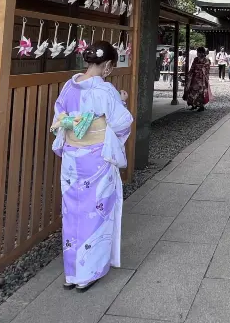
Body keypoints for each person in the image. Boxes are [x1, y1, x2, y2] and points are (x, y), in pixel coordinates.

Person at [50, 41, 133, 292]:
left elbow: (60, 118)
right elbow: (121, 124)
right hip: (97, 160)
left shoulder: (69, 85)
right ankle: (87, 273)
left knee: (72, 210)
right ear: (107, 65)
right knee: (96, 212)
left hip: (73, 159)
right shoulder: (105, 90)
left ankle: (71, 272)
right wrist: (122, 102)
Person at [183, 47, 211, 111]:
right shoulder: (196, 59)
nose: (198, 54)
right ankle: (193, 104)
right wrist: (189, 74)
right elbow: (192, 67)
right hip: (195, 78)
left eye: (199, 52)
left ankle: (201, 106)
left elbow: (207, 69)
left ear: (202, 53)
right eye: (197, 52)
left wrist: (201, 69)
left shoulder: (206, 60)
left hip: (202, 79)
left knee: (201, 92)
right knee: (192, 91)